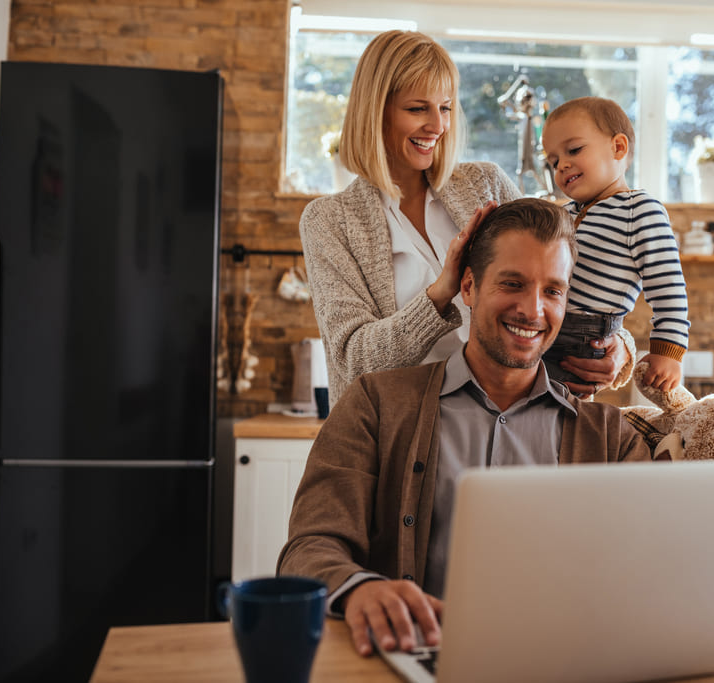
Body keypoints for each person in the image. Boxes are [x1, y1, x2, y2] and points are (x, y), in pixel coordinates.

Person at [278, 198, 652, 657]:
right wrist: (357, 588)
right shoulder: (376, 405)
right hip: (417, 658)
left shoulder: (612, 438)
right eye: (512, 284)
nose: (533, 310)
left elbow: (648, 570)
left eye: (553, 291)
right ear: (469, 287)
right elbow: (310, 546)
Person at [299, 31, 633, 406]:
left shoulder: (485, 183)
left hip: (510, 421)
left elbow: (566, 284)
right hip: (402, 434)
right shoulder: (330, 221)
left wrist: (618, 344)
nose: (437, 126)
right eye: (416, 109)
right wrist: (442, 291)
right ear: (375, 110)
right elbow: (354, 360)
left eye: (444, 108)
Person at [541, 96, 690, 392]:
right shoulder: (563, 213)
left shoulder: (640, 210)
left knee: (553, 412)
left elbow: (668, 287)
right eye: (554, 161)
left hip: (582, 335)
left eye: (574, 150)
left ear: (618, 147)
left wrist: (667, 351)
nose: (562, 166)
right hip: (546, 323)